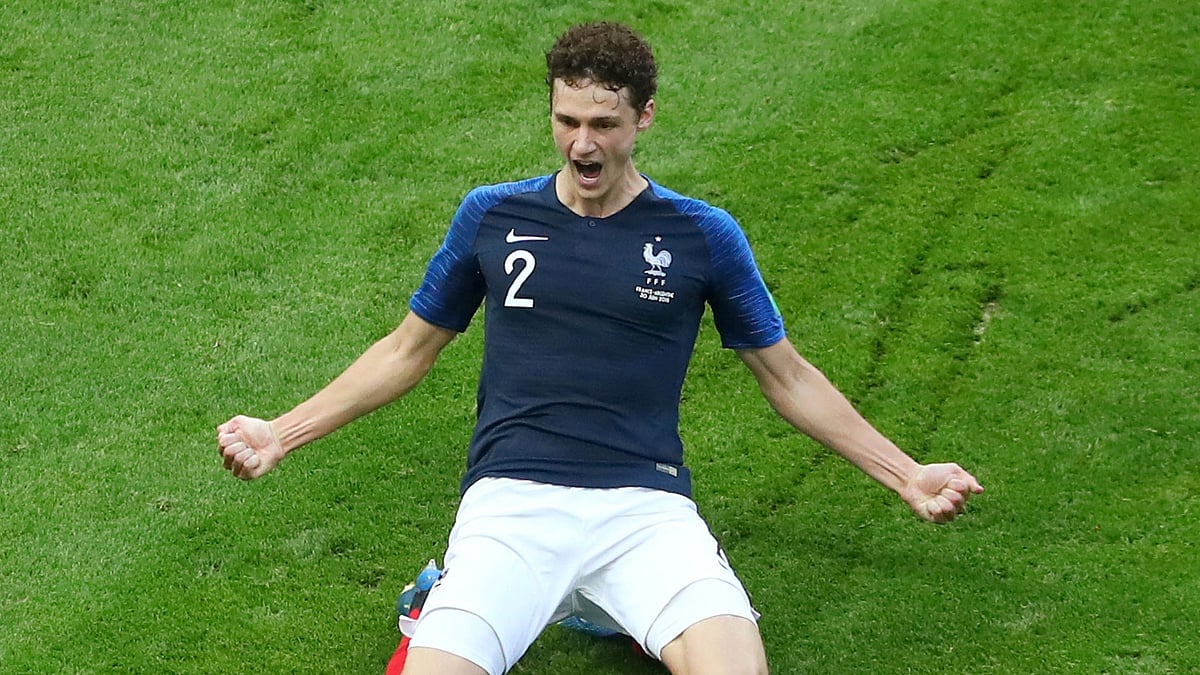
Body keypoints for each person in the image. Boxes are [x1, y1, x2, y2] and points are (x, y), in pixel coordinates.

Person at [217, 21, 983, 675]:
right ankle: (473, 594)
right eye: (567, 121)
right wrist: (281, 431)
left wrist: (906, 473)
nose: (582, 144)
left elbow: (788, 377)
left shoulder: (702, 235)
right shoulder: (492, 216)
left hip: (645, 509)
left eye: (604, 124)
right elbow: (406, 350)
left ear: (644, 117)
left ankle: (597, 602)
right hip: (511, 504)